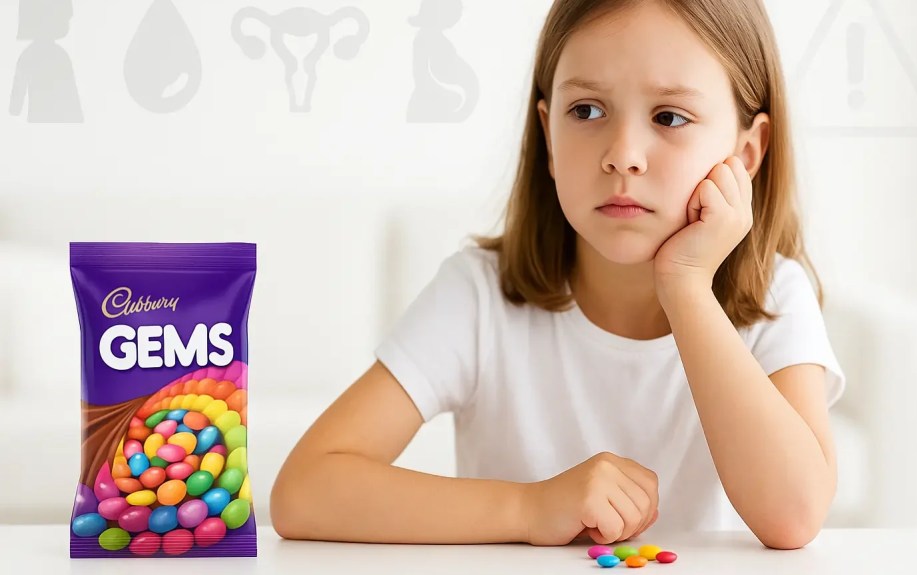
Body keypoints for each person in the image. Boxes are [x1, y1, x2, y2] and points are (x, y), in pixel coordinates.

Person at [271, 0, 846, 551]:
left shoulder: (775, 296)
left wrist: (687, 287)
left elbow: (793, 516)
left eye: (669, 117)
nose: (623, 154)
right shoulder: (480, 296)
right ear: (548, 136)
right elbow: (304, 492)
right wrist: (529, 508)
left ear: (747, 153)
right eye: (587, 111)